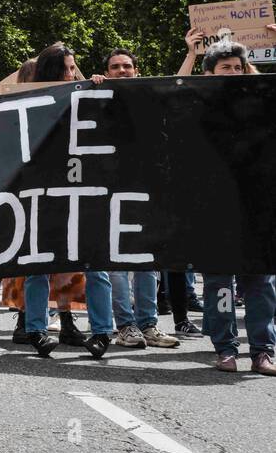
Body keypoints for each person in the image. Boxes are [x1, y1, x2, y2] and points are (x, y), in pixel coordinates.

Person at [19, 43, 113, 358]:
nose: (73, 73)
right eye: (67, 68)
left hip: (83, 194)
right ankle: (36, 329)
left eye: (74, 68)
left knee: (95, 263)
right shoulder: (31, 101)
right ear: (51, 71)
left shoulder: (87, 95)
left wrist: (99, 89)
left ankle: (102, 332)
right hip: (45, 195)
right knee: (39, 265)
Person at [197, 41, 276, 375]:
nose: (232, 73)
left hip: (258, 208)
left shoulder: (259, 102)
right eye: (224, 67)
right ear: (209, 73)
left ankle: (263, 351)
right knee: (219, 283)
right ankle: (225, 349)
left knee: (261, 281)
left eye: (237, 67)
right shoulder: (197, 104)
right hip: (216, 210)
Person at [96, 48, 180, 350]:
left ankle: (148, 325)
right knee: (117, 265)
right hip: (110, 193)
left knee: (147, 262)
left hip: (145, 191)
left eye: (126, 66)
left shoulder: (147, 97)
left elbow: (178, 86)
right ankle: (126, 326)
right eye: (114, 67)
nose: (121, 71)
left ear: (136, 70)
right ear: (106, 72)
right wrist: (88, 85)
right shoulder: (100, 98)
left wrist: (191, 54)